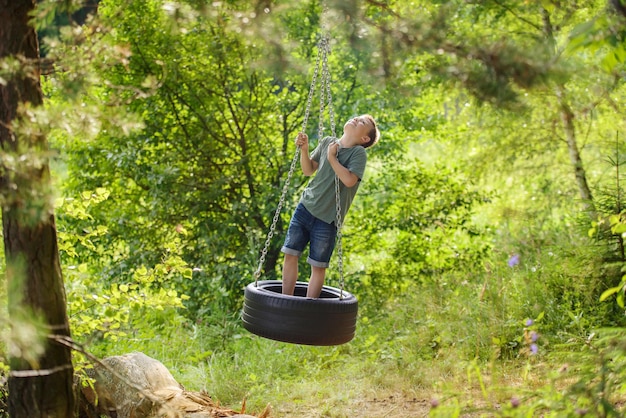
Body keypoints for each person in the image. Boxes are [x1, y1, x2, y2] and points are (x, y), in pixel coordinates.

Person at [281, 114, 380, 298]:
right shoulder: (328, 141)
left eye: (362, 122)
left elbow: (350, 180)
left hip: (327, 219)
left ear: (364, 138)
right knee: (290, 253)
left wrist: (332, 158)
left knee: (318, 266)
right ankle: (285, 301)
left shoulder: (358, 153)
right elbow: (308, 169)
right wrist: (304, 150)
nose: (355, 119)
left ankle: (308, 309)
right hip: (306, 207)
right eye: (356, 117)